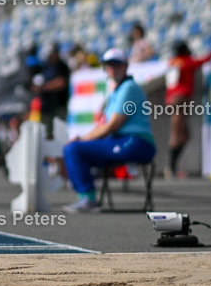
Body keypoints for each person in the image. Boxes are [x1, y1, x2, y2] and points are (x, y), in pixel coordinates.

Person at [61, 48, 156, 213]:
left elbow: (112, 125)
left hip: (136, 142)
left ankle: (88, 198)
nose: (112, 68)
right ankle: (86, 194)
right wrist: (84, 139)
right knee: (75, 149)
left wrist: (82, 140)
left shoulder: (128, 88)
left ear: (125, 66)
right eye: (109, 65)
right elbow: (104, 125)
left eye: (116, 65)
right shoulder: (118, 90)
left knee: (74, 149)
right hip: (124, 140)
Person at [164, 41, 211, 179]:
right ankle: (171, 168)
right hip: (181, 98)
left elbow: (170, 82)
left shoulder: (173, 62)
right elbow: (202, 61)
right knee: (176, 134)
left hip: (172, 98)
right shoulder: (186, 61)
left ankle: (172, 167)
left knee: (184, 135)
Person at [31, 45, 71, 137]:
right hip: (46, 106)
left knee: (60, 132)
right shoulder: (44, 67)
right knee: (46, 133)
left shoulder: (62, 66)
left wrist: (44, 87)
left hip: (59, 105)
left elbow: (61, 82)